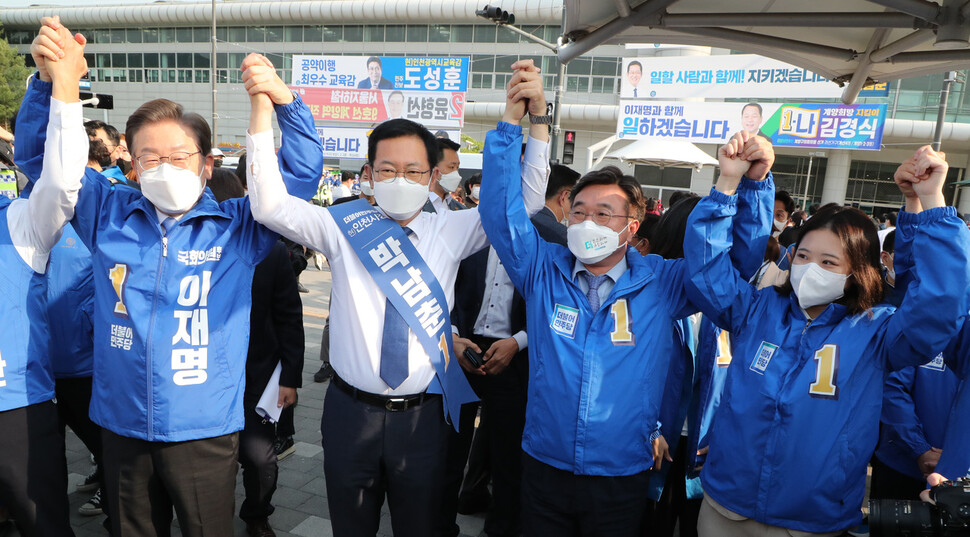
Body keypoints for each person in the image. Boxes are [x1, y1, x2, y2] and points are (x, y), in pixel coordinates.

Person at [26, 21, 322, 536]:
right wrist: (47, 82)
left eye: (180, 156)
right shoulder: (106, 211)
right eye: (150, 157)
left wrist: (285, 103)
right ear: (132, 165)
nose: (165, 166)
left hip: (203, 429)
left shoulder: (239, 227)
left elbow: (296, 181)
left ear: (206, 165)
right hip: (120, 423)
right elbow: (42, 162)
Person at [247, 59, 549, 537]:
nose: (400, 180)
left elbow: (525, 206)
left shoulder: (453, 228)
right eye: (388, 169)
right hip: (348, 411)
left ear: (433, 178)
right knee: (351, 527)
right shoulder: (342, 226)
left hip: (425, 419)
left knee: (422, 527)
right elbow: (266, 204)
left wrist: (532, 123)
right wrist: (264, 113)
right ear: (368, 173)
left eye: (413, 171)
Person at [479, 120, 773, 533]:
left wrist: (747, 184)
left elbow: (730, 269)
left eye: (603, 214)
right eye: (578, 212)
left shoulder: (662, 282)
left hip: (621, 472)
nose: (587, 222)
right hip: (546, 464)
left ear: (631, 227)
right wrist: (510, 128)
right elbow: (499, 213)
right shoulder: (542, 269)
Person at [683, 137, 970, 536]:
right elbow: (706, 273)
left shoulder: (877, 332)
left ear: (858, 272)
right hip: (726, 507)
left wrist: (931, 204)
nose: (809, 268)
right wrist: (729, 183)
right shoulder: (757, 309)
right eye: (802, 256)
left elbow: (938, 306)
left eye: (828, 261)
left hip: (813, 519)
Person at [0, 20, 87, 536]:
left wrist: (59, 84)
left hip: (17, 410)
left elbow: (58, 177)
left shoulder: (20, 222)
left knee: (44, 524)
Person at [207, 169, 305, 537]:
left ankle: (257, 514)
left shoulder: (271, 253)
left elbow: (289, 319)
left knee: (260, 457)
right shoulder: (186, 252)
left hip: (258, 375)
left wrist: (291, 378)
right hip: (202, 376)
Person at [427, 137, 466, 213]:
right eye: (451, 167)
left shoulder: (461, 210)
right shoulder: (415, 208)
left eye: (457, 168)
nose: (456, 174)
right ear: (433, 168)